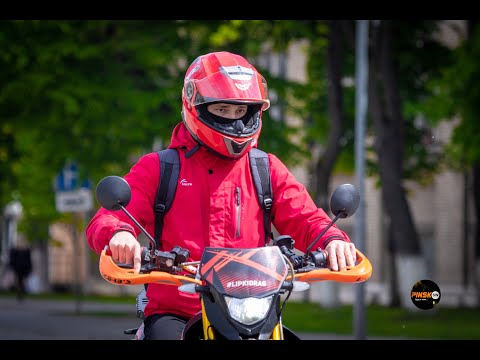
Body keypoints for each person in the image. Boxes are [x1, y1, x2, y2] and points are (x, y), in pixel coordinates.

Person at [86, 51, 357, 340]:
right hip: (177, 309)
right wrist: (119, 235)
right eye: (222, 110)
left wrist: (332, 240)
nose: (236, 122)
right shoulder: (159, 167)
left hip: (253, 309)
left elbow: (305, 217)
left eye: (241, 111)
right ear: (196, 107)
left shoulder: (266, 168)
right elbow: (108, 217)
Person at [8, 236, 32, 301]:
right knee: (19, 280)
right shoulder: (15, 249)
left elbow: (29, 259)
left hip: (25, 267)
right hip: (18, 267)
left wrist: (30, 267)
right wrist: (11, 266)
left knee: (22, 280)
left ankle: (21, 292)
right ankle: (20, 293)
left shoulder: (27, 249)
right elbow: (12, 259)